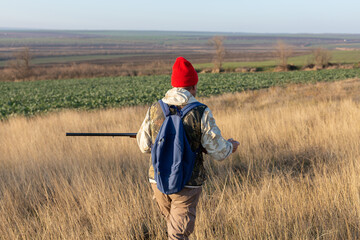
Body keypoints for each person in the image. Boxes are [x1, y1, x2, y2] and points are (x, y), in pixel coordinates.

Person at [137, 56, 239, 240]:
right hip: (188, 182)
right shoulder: (201, 111)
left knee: (173, 228)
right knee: (178, 235)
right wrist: (230, 146)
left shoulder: (155, 108)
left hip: (157, 180)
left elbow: (144, 146)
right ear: (192, 86)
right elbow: (218, 151)